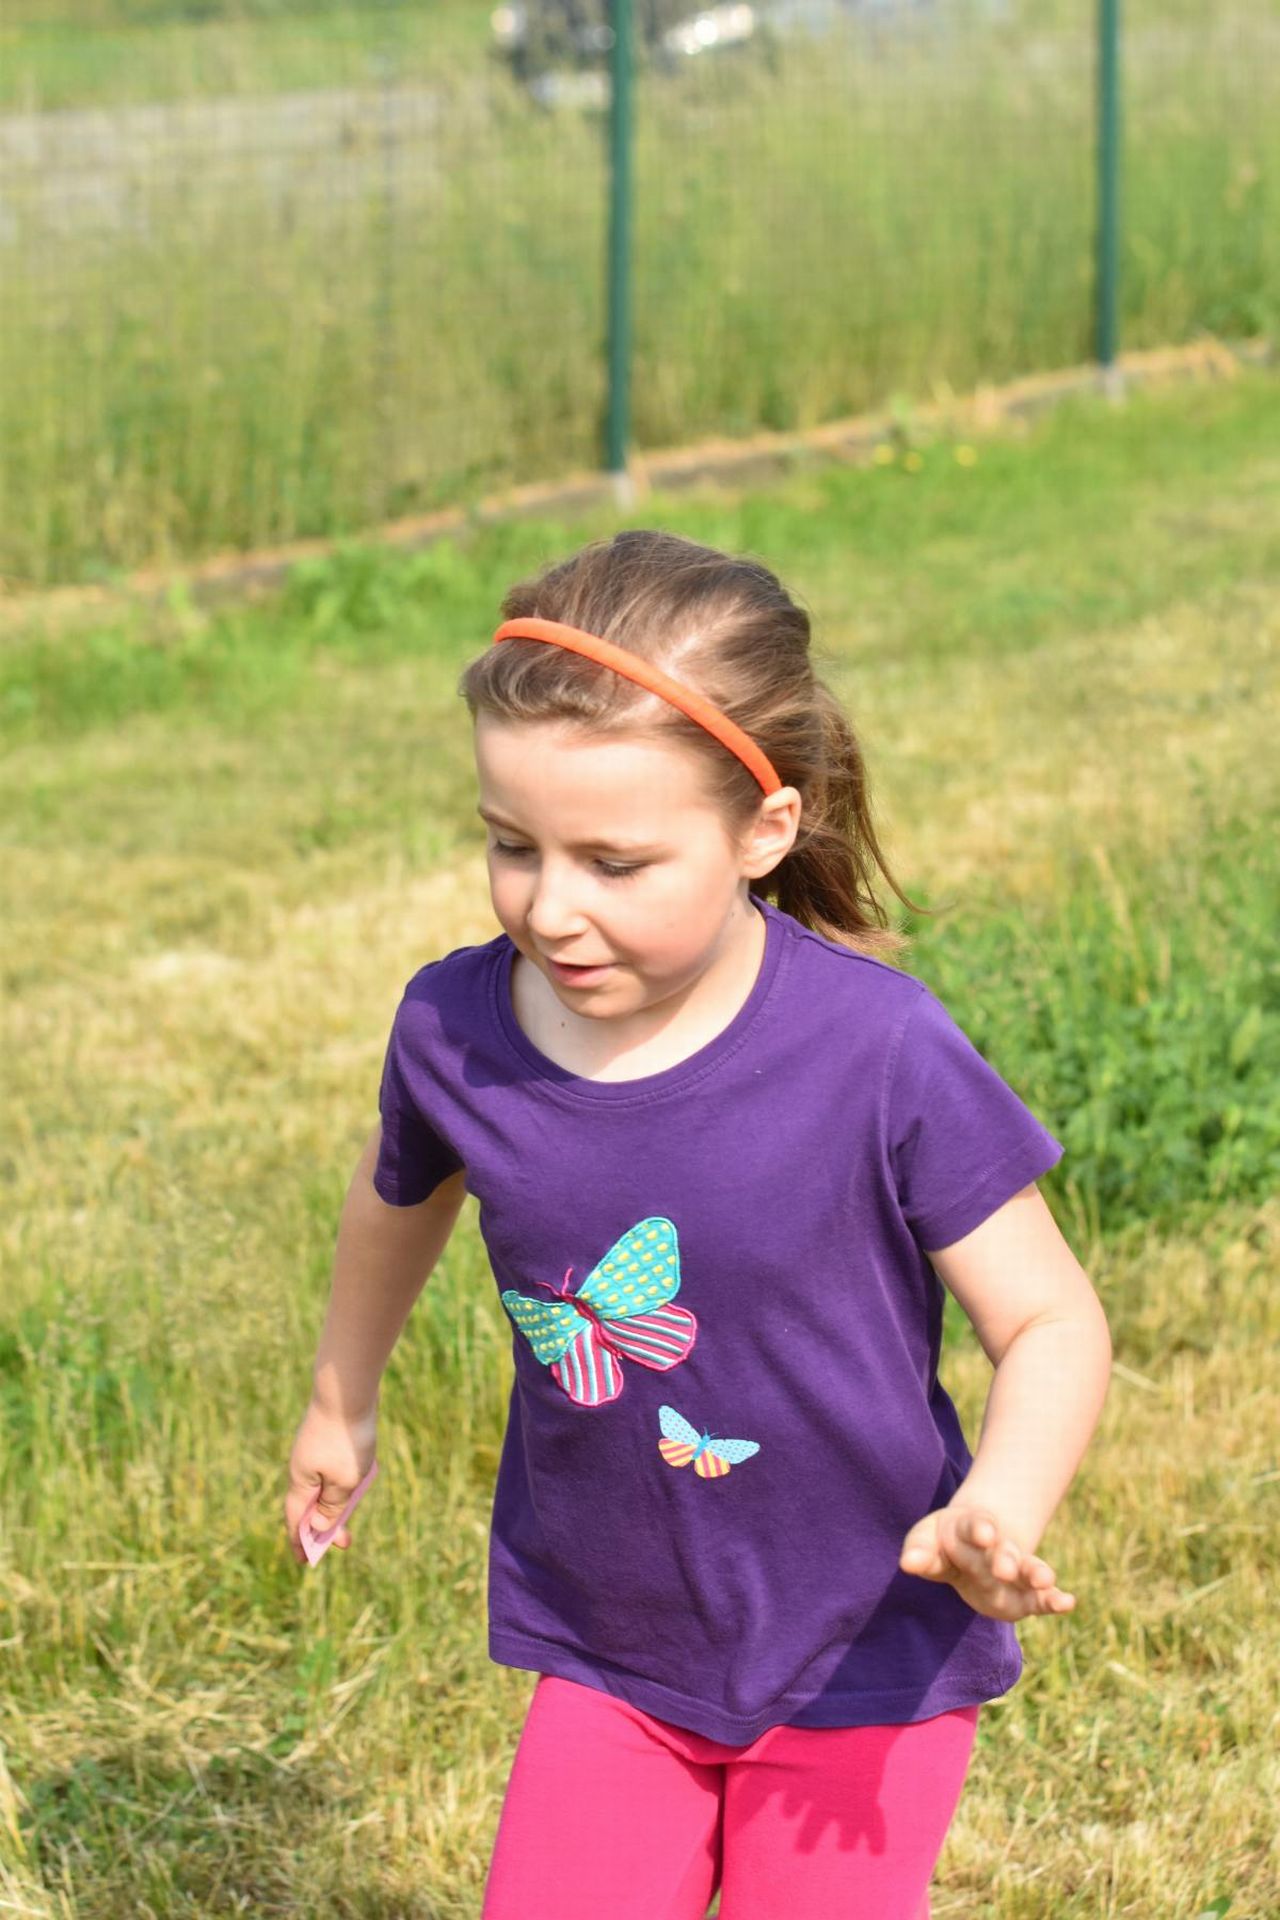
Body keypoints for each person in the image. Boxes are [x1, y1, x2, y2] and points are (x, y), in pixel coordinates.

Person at [284, 528, 1113, 1919]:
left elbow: (1049, 1319)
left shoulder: (878, 1048)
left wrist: (1001, 1505)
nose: (552, 908)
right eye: (511, 846)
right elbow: (399, 1191)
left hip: (861, 1646)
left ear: (762, 832)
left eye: (615, 863)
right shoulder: (454, 1030)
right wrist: (338, 1402)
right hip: (609, 1639)